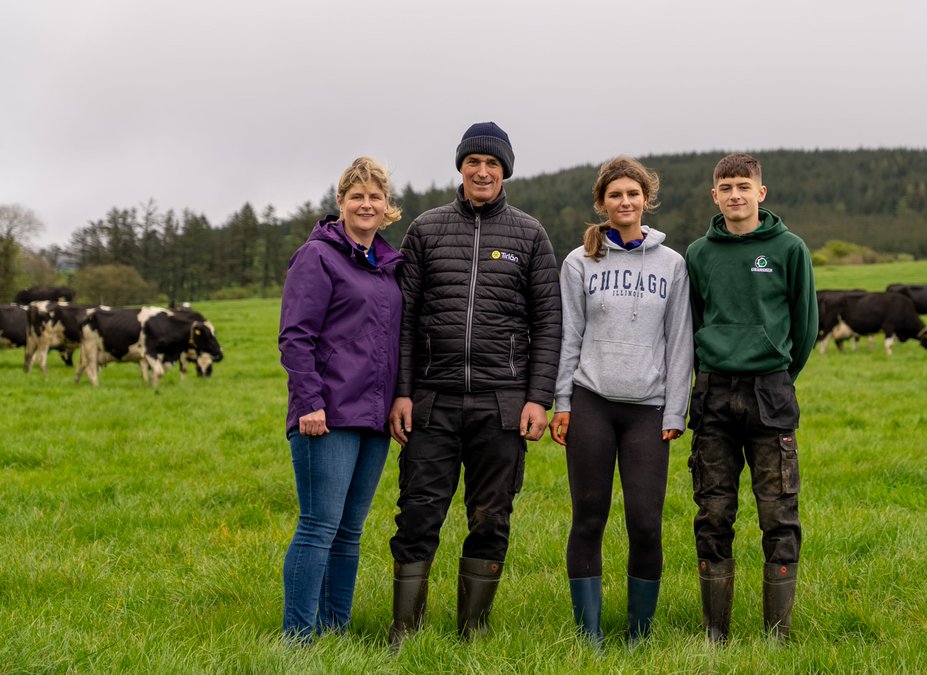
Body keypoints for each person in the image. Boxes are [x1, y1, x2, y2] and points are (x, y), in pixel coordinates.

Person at [386, 122, 562, 646]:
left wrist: (538, 397)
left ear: (505, 170)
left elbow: (549, 323)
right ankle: (405, 630)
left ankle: (473, 630)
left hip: (502, 404)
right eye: (473, 162)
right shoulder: (425, 229)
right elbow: (406, 319)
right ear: (460, 168)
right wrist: (402, 390)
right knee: (418, 513)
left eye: (492, 163)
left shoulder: (529, 234)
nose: (482, 171)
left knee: (491, 517)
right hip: (432, 401)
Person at [549, 156, 693, 647]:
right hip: (591, 402)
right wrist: (561, 402)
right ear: (602, 202)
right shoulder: (579, 261)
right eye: (615, 195)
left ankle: (639, 633)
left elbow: (680, 342)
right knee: (588, 515)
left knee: (646, 523)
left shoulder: (672, 265)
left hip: (648, 411)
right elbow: (569, 335)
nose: (625, 202)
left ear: (646, 200)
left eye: (633, 194)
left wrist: (675, 408)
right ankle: (588, 635)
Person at [684, 152, 818, 642]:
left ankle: (776, 635)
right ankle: (714, 631)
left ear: (761, 193)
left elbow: (805, 327)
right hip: (714, 394)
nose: (735, 194)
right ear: (714, 196)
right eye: (726, 187)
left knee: (778, 513)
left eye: (744, 185)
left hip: (771, 393)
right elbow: (692, 323)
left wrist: (777, 369)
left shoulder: (789, 248)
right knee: (713, 513)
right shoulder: (698, 253)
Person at [278, 156, 405, 643]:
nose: (366, 204)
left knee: (349, 532)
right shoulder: (318, 256)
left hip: (372, 416)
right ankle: (298, 639)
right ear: (341, 203)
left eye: (375, 196)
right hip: (326, 415)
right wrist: (309, 401)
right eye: (357, 196)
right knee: (318, 527)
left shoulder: (386, 266)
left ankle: (335, 631)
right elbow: (295, 336)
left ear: (386, 205)